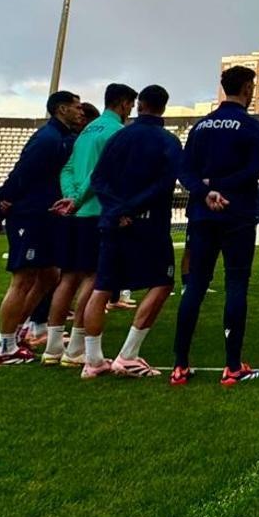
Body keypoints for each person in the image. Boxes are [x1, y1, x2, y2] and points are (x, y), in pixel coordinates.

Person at [171, 66, 259, 386]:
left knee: (195, 286)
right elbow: (253, 171)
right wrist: (222, 188)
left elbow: (184, 171)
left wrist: (206, 190)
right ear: (246, 88)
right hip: (237, 214)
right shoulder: (251, 127)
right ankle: (232, 366)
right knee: (236, 285)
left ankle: (180, 366)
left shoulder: (200, 127)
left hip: (202, 213)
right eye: (252, 86)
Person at [81, 85, 182, 379]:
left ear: (138, 105)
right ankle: (128, 355)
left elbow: (98, 179)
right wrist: (131, 209)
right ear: (163, 107)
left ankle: (93, 359)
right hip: (147, 222)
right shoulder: (168, 141)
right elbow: (165, 184)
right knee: (162, 282)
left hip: (112, 220)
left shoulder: (119, 137)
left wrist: (115, 209)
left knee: (102, 286)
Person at [43, 85, 136, 366]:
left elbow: (68, 167)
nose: (130, 111)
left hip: (76, 213)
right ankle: (76, 349)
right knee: (95, 278)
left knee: (68, 277)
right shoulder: (116, 132)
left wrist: (71, 197)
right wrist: (80, 198)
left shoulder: (86, 130)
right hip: (98, 211)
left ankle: (53, 347)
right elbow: (101, 174)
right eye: (130, 105)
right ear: (122, 104)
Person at [0, 90, 80, 365]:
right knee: (23, 278)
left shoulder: (63, 138)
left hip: (46, 216)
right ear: (61, 109)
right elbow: (20, 175)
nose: (80, 111)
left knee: (50, 276)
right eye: (76, 107)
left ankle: (19, 331)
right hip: (30, 216)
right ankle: (5, 345)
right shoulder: (47, 139)